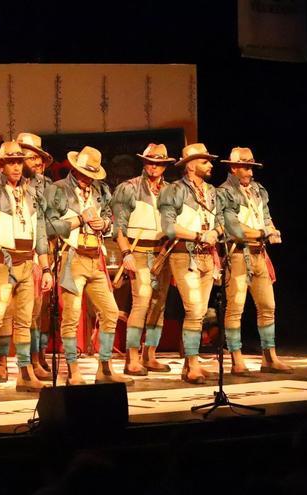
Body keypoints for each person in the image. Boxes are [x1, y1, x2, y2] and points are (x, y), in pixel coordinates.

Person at [45, 146, 131, 385]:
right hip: (72, 258)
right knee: (71, 317)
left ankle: (104, 368)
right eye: (83, 173)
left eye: (90, 175)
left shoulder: (101, 190)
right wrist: (81, 219)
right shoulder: (58, 190)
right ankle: (73, 369)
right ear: (74, 168)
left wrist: (103, 223)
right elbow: (49, 226)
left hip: (96, 258)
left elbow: (112, 224)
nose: (86, 179)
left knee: (110, 311)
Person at [0, 141, 53, 396]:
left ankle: (25, 373)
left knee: (24, 321)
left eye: (20, 161)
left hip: (27, 263)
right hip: (1, 263)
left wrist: (46, 268)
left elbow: (40, 233)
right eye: (11, 162)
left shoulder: (32, 193)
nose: (17, 166)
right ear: (1, 165)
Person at [216, 147, 291, 374]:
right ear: (233, 168)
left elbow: (266, 217)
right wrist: (261, 233)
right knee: (235, 308)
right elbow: (233, 227)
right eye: (245, 167)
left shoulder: (259, 190)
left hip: (259, 254)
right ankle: (236, 360)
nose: (250, 171)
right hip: (239, 255)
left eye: (251, 167)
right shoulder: (224, 192)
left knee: (268, 306)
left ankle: (270, 357)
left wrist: (271, 229)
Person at [159, 143, 223, 385]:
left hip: (209, 255)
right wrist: (198, 236)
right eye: (205, 161)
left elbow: (221, 219)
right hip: (185, 255)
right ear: (191, 165)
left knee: (200, 311)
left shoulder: (212, 191)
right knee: (194, 310)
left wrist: (216, 231)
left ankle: (190, 364)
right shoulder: (173, 191)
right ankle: (193, 364)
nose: (210, 164)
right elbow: (169, 227)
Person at [111, 144, 176, 376]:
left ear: (165, 165)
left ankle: (150, 354)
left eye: (159, 162)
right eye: (150, 161)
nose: (154, 166)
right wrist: (126, 252)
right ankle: (132, 358)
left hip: (163, 252)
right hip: (138, 250)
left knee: (159, 304)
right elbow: (118, 226)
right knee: (142, 300)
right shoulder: (128, 188)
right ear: (144, 162)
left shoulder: (170, 190)